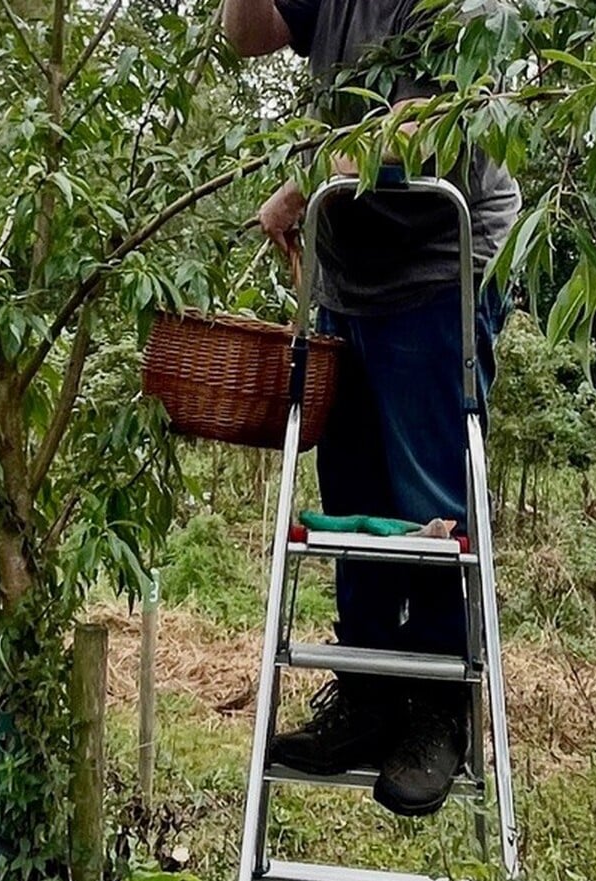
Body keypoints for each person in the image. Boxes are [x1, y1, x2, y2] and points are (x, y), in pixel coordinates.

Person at [221, 0, 521, 816]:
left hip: (438, 266)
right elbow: (244, 36)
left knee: (427, 495)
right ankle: (367, 696)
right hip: (348, 278)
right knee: (350, 497)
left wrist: (301, 185)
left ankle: (436, 710)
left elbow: (433, 123)